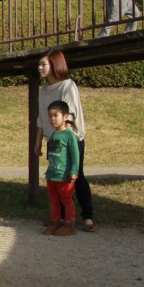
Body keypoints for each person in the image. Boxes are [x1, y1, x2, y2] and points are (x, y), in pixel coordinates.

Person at [34, 50, 96, 232]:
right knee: (56, 176)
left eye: (43, 64)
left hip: (70, 139)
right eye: (39, 64)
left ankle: (87, 217)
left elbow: (70, 114)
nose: (40, 68)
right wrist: (39, 140)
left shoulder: (67, 86)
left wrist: (66, 140)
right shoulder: (43, 90)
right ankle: (59, 217)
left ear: (55, 65)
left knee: (76, 174)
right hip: (52, 139)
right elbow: (41, 118)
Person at [43, 100, 80, 237]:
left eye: (55, 115)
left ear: (65, 117)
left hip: (64, 175)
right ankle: (54, 222)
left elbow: (75, 155)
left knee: (66, 200)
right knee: (54, 200)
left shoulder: (69, 135)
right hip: (52, 174)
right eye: (50, 116)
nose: (52, 119)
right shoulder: (53, 135)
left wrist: (74, 171)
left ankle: (69, 224)